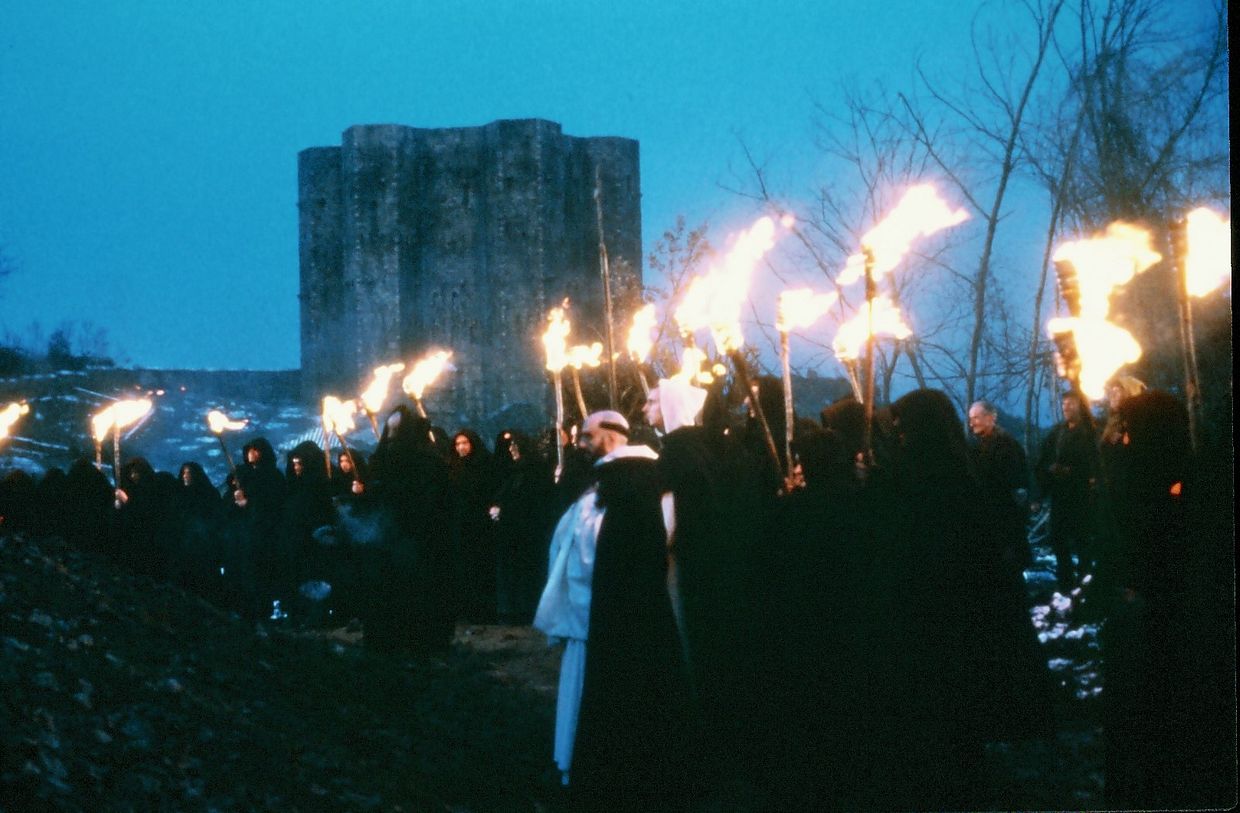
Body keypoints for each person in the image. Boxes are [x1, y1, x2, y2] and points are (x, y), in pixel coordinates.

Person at [534, 410, 697, 809]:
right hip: (604, 612)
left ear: (610, 435)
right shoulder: (605, 485)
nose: (581, 444)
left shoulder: (635, 485)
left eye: (587, 436)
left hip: (618, 612)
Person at [1035, 390, 1097, 587]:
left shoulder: (1090, 433)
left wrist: (1072, 471)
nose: (1066, 407)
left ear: (1081, 406)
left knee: (1082, 541)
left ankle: (1085, 583)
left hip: (1082, 497)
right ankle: (1066, 581)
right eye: (1064, 404)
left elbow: (1095, 464)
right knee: (1058, 539)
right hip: (1060, 497)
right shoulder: (1057, 432)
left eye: (1071, 403)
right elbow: (1043, 460)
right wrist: (1040, 493)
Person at [968, 399, 1032, 570]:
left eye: (976, 418)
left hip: (1005, 519)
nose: (971, 423)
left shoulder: (1006, 445)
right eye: (970, 419)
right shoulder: (980, 445)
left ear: (991, 417)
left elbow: (1009, 483)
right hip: (991, 517)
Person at [449, 428, 497, 623]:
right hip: (460, 523)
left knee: (481, 565)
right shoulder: (453, 466)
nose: (461, 447)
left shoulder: (485, 464)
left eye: (465, 443)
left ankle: (484, 610)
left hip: (480, 523)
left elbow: (490, 490)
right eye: (458, 444)